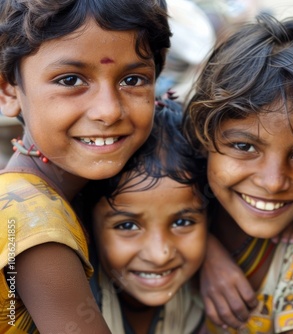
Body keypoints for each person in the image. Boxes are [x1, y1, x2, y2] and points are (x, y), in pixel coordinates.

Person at [0, 0, 171, 332]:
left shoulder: (54, 193)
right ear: (8, 90)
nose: (108, 111)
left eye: (133, 80)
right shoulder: (35, 222)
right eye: (69, 80)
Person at [183, 13, 293, 333]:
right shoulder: (166, 211)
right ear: (202, 133)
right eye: (245, 147)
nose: (273, 181)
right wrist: (200, 248)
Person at [79, 101, 209, 334]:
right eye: (127, 225)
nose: (159, 256)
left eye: (182, 222)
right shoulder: (76, 300)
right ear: (87, 225)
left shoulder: (201, 296)